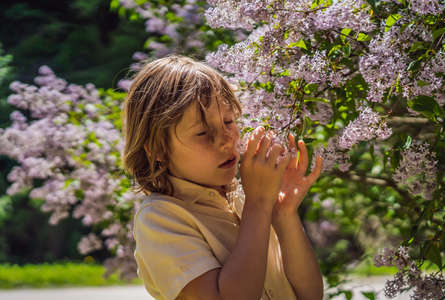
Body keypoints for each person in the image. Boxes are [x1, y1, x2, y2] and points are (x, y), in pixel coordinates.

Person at [121, 55, 324, 300]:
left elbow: (310, 294)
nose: (226, 139)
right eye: (203, 132)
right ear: (158, 150)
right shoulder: (160, 219)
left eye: (228, 121)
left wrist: (283, 213)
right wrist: (258, 205)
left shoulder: (243, 198)